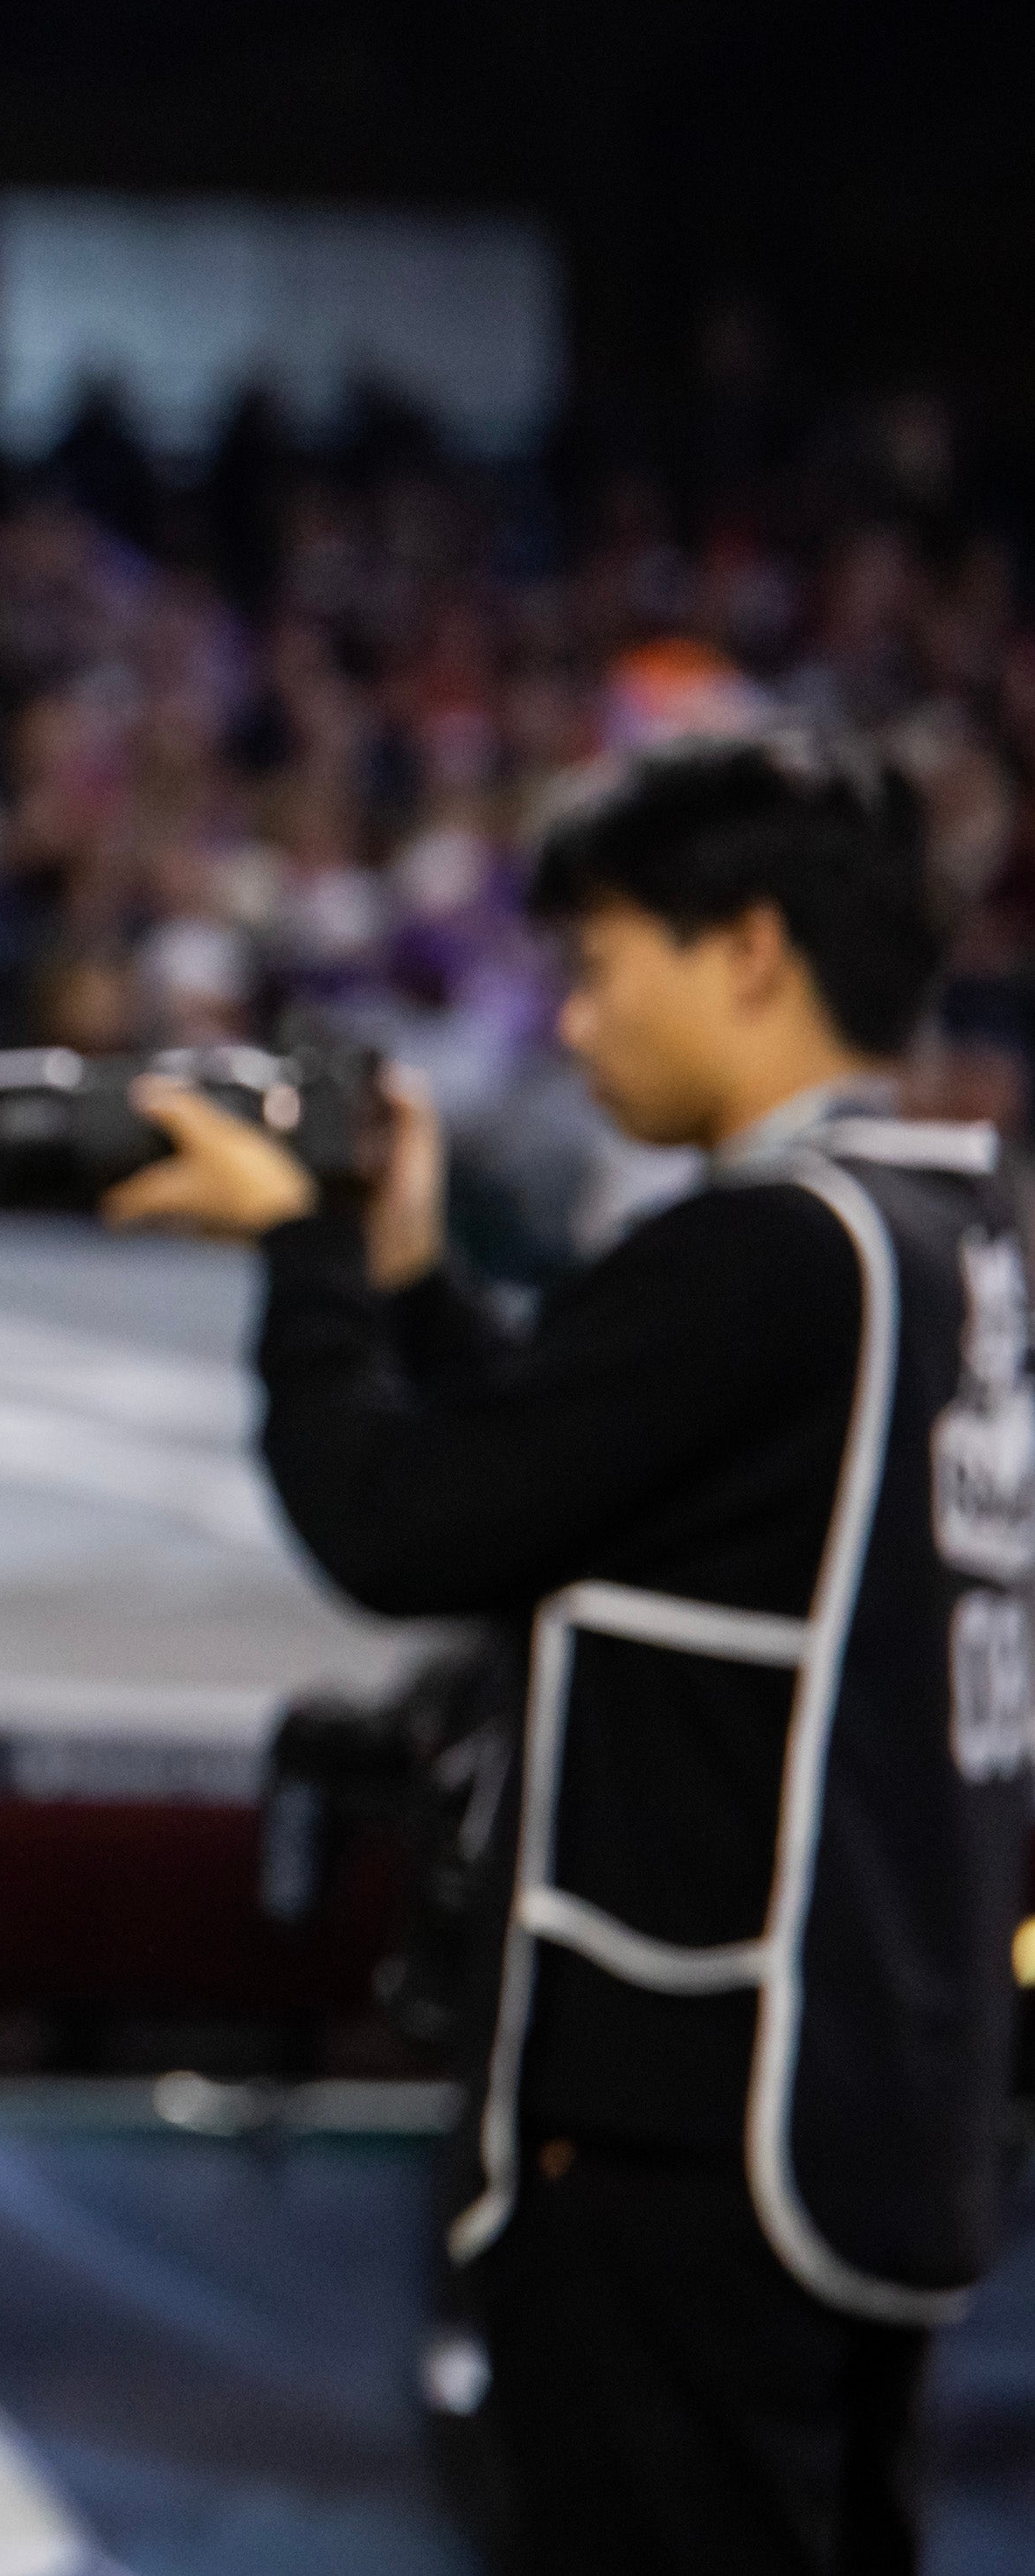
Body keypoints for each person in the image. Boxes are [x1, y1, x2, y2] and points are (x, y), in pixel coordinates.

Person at [108, 730, 1027, 2576]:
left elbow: (396, 1526)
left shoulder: (771, 1250)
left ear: (746, 953)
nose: (574, 1027)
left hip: (687, 2140)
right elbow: (581, 1472)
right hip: (874, 2124)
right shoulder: (950, 1244)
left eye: (600, 966)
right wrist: (412, 1280)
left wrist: (300, 1259)